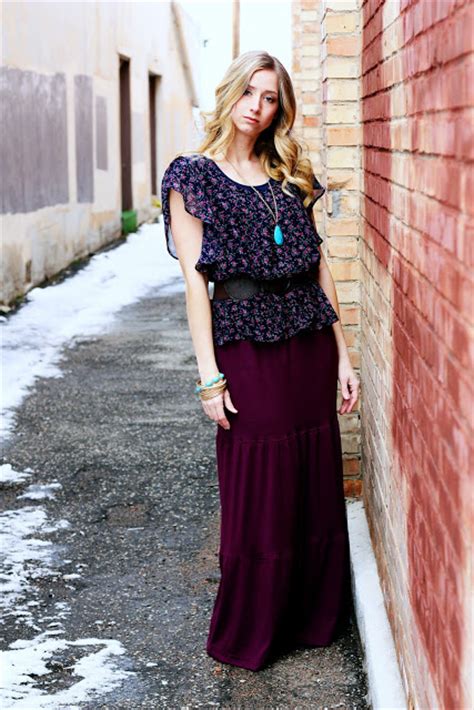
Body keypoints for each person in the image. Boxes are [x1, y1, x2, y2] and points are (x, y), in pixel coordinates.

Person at [160, 50, 360, 672]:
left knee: (311, 473)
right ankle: (255, 625)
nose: (257, 106)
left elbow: (319, 267)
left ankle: (312, 616)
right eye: (249, 92)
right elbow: (196, 286)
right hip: (245, 344)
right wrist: (208, 377)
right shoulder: (192, 177)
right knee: (260, 479)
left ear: (280, 108)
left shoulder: (289, 173)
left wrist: (344, 355)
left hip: (308, 340)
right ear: (230, 94)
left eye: (270, 97)